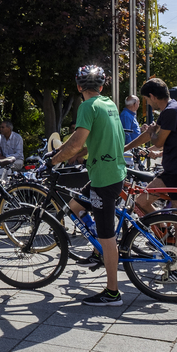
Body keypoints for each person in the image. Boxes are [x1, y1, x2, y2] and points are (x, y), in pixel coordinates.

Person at [51, 65, 126, 306]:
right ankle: (98, 251)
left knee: (108, 237)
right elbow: (93, 140)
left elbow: (75, 142)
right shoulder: (108, 103)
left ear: (79, 86)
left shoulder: (87, 106)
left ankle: (112, 292)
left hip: (104, 179)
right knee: (74, 206)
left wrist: (54, 159)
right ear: (102, 86)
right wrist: (78, 154)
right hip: (109, 172)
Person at [136, 78, 177, 216]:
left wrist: (152, 132)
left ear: (152, 96)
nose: (147, 103)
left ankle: (169, 232)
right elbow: (148, 136)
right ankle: (163, 231)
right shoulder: (170, 108)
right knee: (141, 202)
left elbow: (158, 142)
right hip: (175, 170)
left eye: (147, 99)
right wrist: (125, 148)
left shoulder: (171, 111)